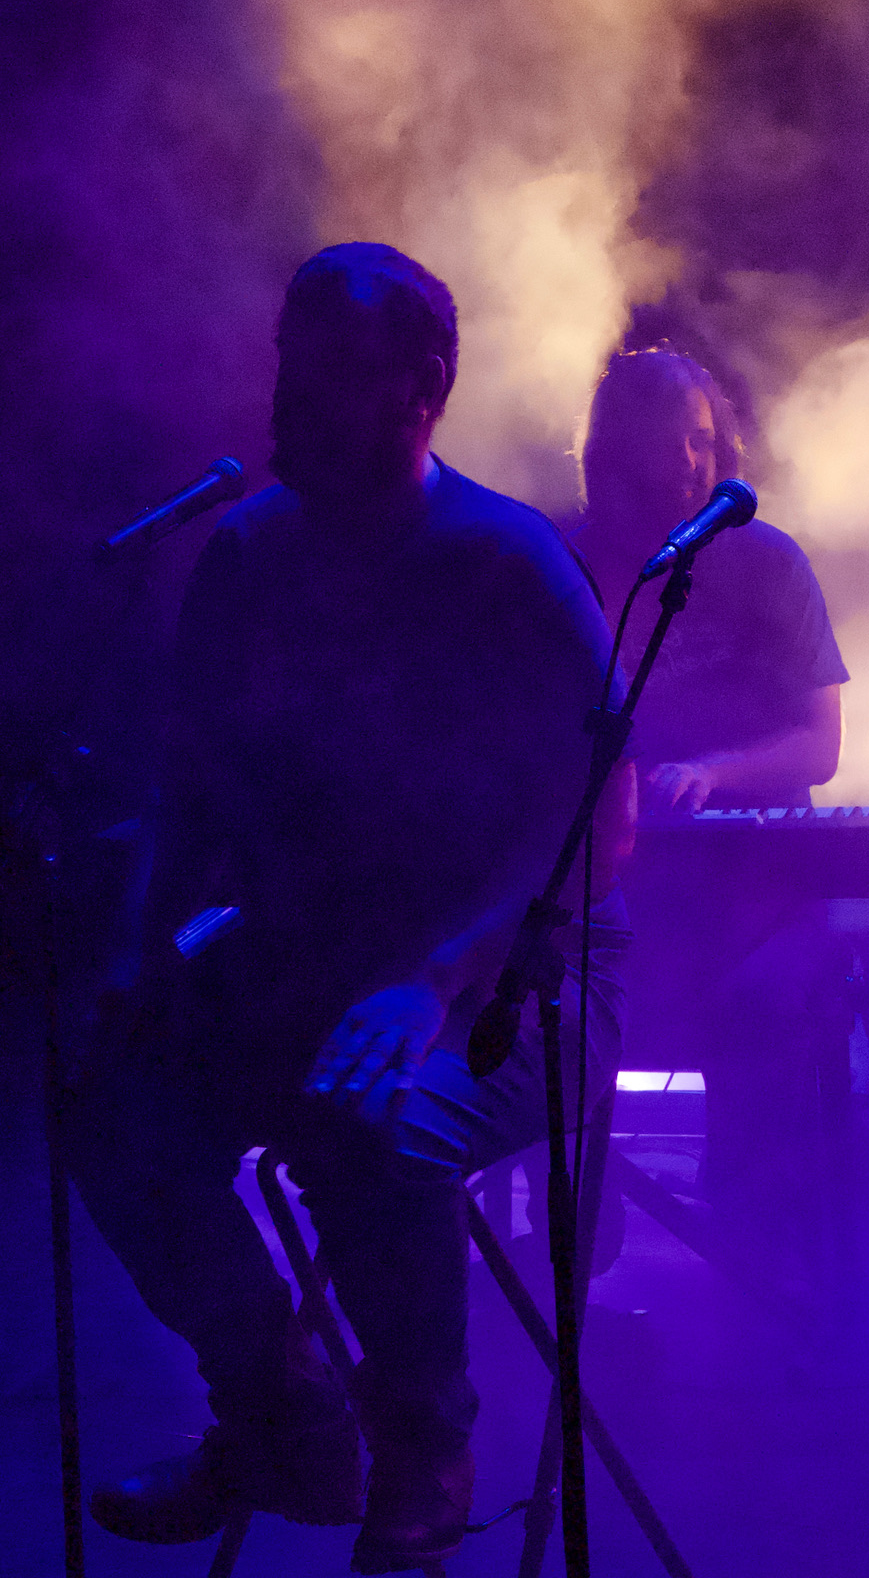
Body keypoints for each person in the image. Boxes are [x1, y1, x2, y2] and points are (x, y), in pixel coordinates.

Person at [66, 243, 630, 1574]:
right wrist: (139, 954)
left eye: (326, 373)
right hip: (303, 973)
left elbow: (596, 831)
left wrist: (435, 980)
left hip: (518, 983)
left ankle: (426, 1444)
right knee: (115, 1119)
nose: (285, 400)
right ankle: (283, 1415)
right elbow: (190, 791)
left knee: (374, 1122)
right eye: (287, 364)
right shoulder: (247, 552)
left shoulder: (507, 563)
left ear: (419, 389)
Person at [567, 348, 849, 1249]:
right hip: (615, 893)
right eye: (665, 445)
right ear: (614, 452)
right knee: (553, 1003)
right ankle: (575, 1227)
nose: (689, 465)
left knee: (763, 1008)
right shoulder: (569, 562)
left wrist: (714, 773)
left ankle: (757, 1239)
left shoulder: (768, 562)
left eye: (700, 441)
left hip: (764, 897)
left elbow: (820, 746)